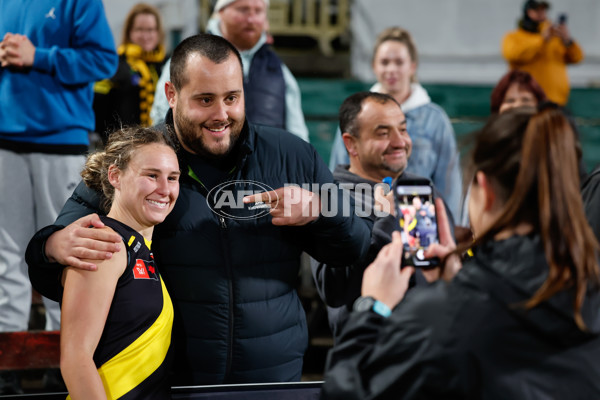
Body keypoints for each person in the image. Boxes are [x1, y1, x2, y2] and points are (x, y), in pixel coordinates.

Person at [26, 33, 370, 385]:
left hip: (273, 379)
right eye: (205, 99)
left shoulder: (292, 156)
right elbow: (57, 263)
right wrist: (51, 247)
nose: (221, 115)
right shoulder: (136, 163)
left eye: (232, 98)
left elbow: (353, 248)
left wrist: (321, 210)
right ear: (171, 95)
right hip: (171, 383)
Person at [321, 106, 600, 399]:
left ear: (485, 190)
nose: (398, 141)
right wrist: (459, 281)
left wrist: (372, 308)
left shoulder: (441, 315)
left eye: (403, 129)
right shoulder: (587, 281)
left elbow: (345, 392)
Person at [0, 0, 117, 393]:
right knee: (4, 257)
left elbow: (104, 62)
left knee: (69, 256)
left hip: (60, 142)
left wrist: (40, 57)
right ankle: (7, 368)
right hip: (4, 140)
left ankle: (65, 365)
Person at [311, 92, 454, 340]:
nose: (400, 142)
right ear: (350, 144)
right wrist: (385, 220)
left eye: (403, 129)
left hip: (429, 347)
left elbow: (434, 274)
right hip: (369, 351)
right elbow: (335, 291)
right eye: (383, 133)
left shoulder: (421, 191)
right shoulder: (330, 199)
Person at [61, 126, 179, 399]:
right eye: (152, 176)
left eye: (172, 178)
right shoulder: (104, 244)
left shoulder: (139, 248)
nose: (165, 189)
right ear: (115, 176)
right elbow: (75, 358)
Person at [329, 27, 461, 218]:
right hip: (364, 219)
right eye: (384, 62)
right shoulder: (356, 115)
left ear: (412, 66)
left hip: (418, 225)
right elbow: (339, 170)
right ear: (374, 66)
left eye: (399, 62)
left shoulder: (435, 120)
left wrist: (449, 226)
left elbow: (449, 184)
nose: (391, 69)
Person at [150, 0, 310, 142]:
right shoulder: (189, 58)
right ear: (221, 12)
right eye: (243, 9)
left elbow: (297, 133)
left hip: (266, 173)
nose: (251, 18)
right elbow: (161, 117)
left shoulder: (278, 68)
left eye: (258, 11)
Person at [93, 3, 167, 143]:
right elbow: (99, 105)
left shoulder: (166, 64)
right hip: (124, 145)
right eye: (139, 29)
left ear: (158, 33)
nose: (145, 35)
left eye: (150, 29)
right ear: (129, 32)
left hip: (160, 144)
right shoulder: (115, 65)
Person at [502, 0, 584, 106]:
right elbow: (513, 54)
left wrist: (567, 40)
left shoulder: (555, 39)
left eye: (543, 10)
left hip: (556, 100)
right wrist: (542, 39)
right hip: (526, 100)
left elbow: (577, 58)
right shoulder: (514, 37)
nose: (541, 13)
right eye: (537, 10)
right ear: (527, 12)